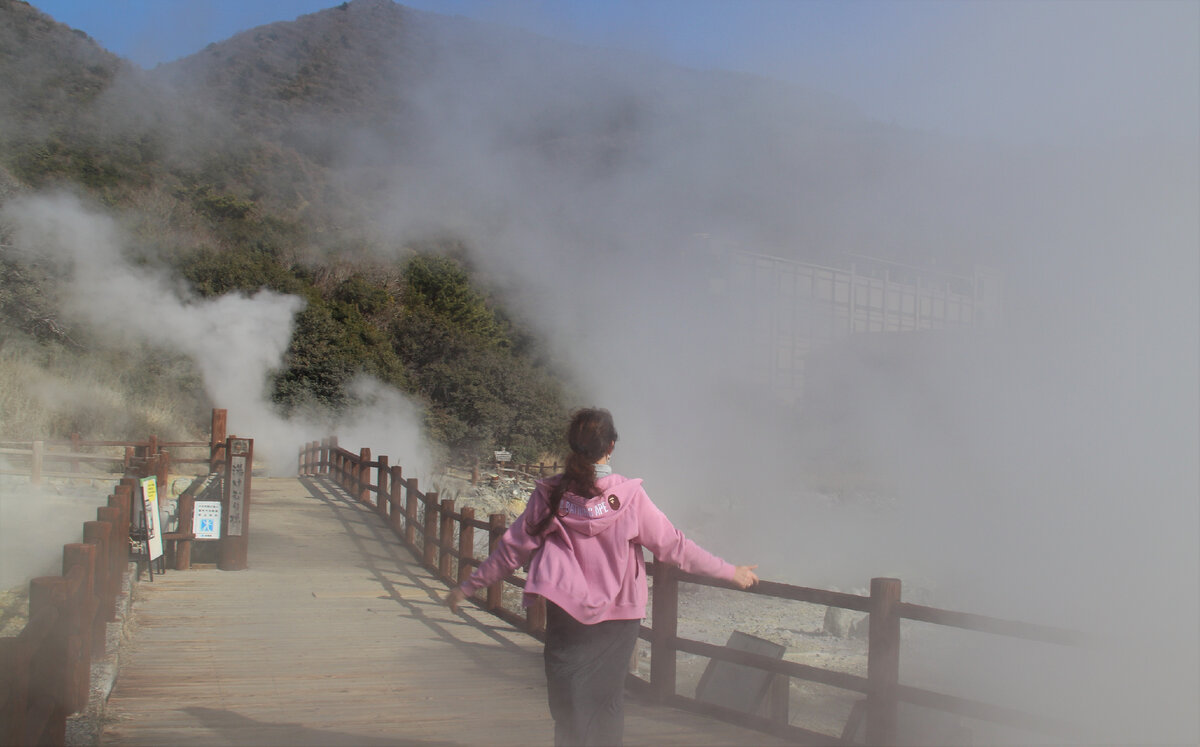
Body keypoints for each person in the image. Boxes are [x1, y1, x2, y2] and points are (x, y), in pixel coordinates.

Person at [446, 407, 759, 746]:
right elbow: (673, 547)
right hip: (619, 616)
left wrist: (469, 586)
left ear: (572, 445)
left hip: (566, 612)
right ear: (610, 447)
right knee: (606, 702)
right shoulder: (629, 498)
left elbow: (512, 550)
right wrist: (730, 571)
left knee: (567, 700)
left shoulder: (550, 495)